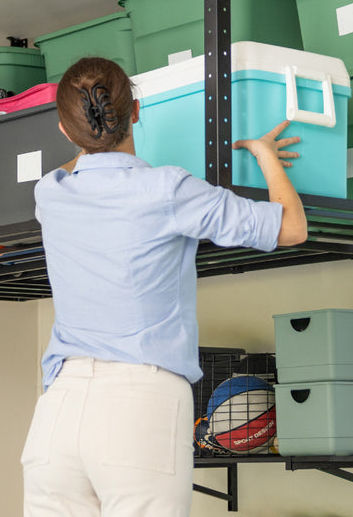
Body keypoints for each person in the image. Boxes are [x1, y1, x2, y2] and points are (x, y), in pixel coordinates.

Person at [21, 57, 307, 517]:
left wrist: (86, 135)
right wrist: (266, 155)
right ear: (135, 110)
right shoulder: (168, 189)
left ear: (63, 130)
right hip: (138, 405)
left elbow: (80, 156)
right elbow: (291, 228)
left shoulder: (51, 193)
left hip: (58, 410)